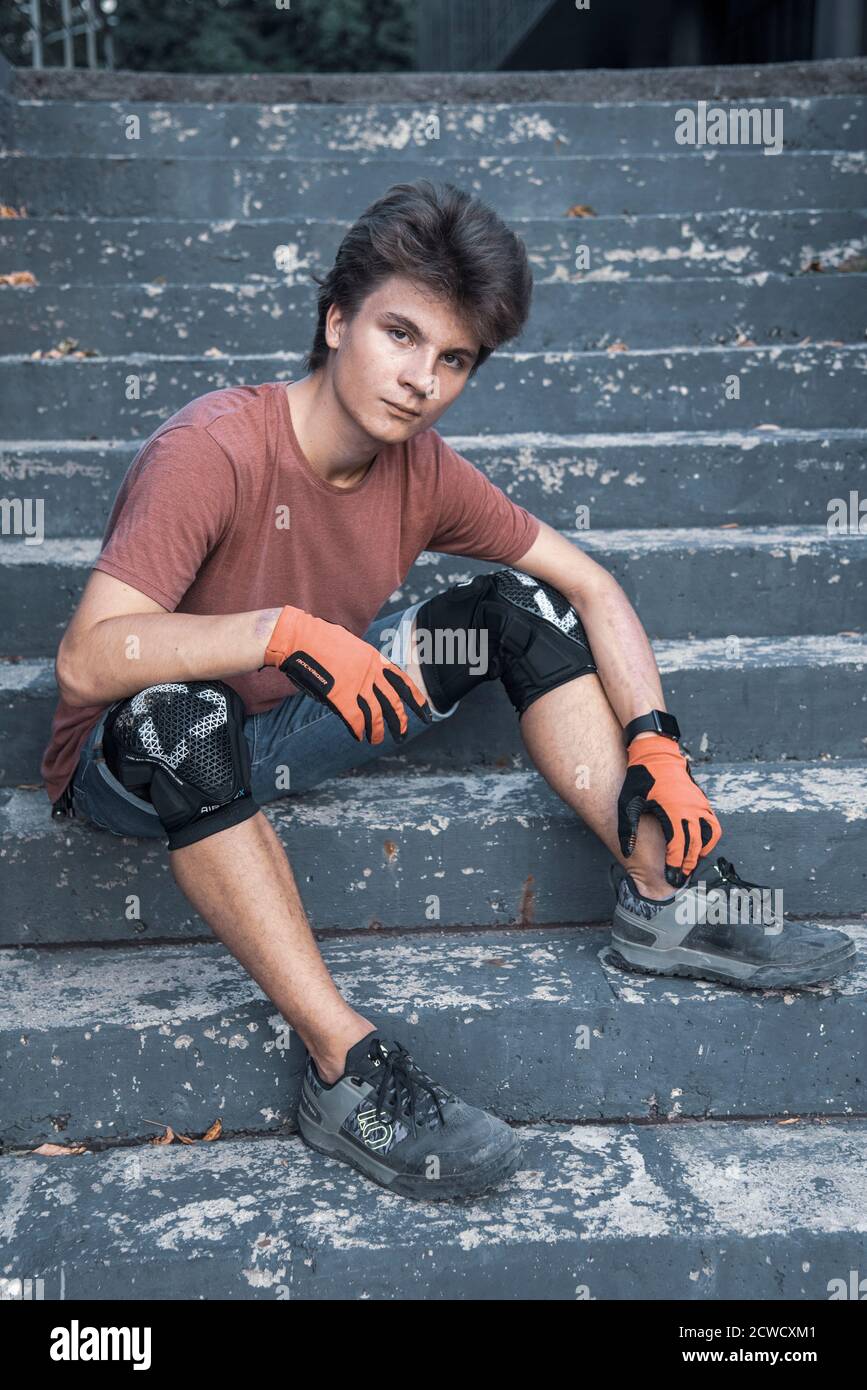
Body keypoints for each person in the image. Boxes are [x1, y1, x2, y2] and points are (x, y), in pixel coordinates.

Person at [41, 179, 855, 1203]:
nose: (421, 379)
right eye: (399, 334)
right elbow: (85, 658)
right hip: (138, 760)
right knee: (184, 713)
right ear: (336, 320)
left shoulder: (422, 471)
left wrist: (658, 747)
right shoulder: (211, 450)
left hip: (282, 728)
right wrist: (281, 632)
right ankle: (345, 1071)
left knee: (518, 605)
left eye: (455, 358)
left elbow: (591, 585)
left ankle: (667, 889)